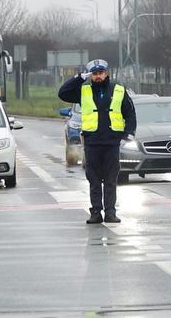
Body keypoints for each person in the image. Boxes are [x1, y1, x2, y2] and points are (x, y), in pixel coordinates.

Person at [58, 59, 136, 225]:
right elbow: (63, 93)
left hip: (111, 142)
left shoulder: (118, 90)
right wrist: (79, 78)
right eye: (94, 74)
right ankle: (95, 212)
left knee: (110, 179)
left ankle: (110, 213)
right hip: (92, 142)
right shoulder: (83, 90)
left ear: (106, 73)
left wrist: (129, 133)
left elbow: (130, 113)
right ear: (90, 75)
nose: (98, 76)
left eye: (100, 73)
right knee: (93, 179)